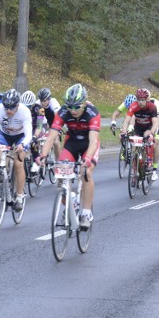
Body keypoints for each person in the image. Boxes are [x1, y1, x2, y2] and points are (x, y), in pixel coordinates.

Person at [39, 83, 100, 228]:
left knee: (86, 172)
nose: (73, 110)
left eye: (76, 107)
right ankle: (69, 205)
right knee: (61, 173)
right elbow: (51, 137)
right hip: (72, 142)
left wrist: (87, 158)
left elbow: (93, 141)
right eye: (70, 106)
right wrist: (42, 155)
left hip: (88, 144)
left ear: (84, 104)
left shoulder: (92, 113)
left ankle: (86, 212)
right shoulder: (63, 112)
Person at [121, 88, 159, 180]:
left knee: (148, 139)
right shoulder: (134, 106)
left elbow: (155, 123)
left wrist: (151, 133)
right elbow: (126, 121)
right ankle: (136, 169)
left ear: (146, 99)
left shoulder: (152, 107)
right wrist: (124, 132)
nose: (140, 102)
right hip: (138, 127)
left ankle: (150, 163)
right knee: (134, 146)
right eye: (139, 100)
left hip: (149, 127)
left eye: (142, 100)